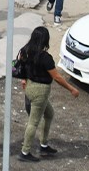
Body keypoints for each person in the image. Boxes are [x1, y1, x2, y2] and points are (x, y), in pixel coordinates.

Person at [17, 27, 80, 162]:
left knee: (49, 114)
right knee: (33, 122)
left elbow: (20, 66)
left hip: (30, 87)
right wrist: (71, 89)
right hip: (40, 91)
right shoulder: (45, 58)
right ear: (45, 40)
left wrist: (23, 79)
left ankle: (44, 145)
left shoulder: (24, 51)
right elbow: (57, 77)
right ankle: (25, 152)